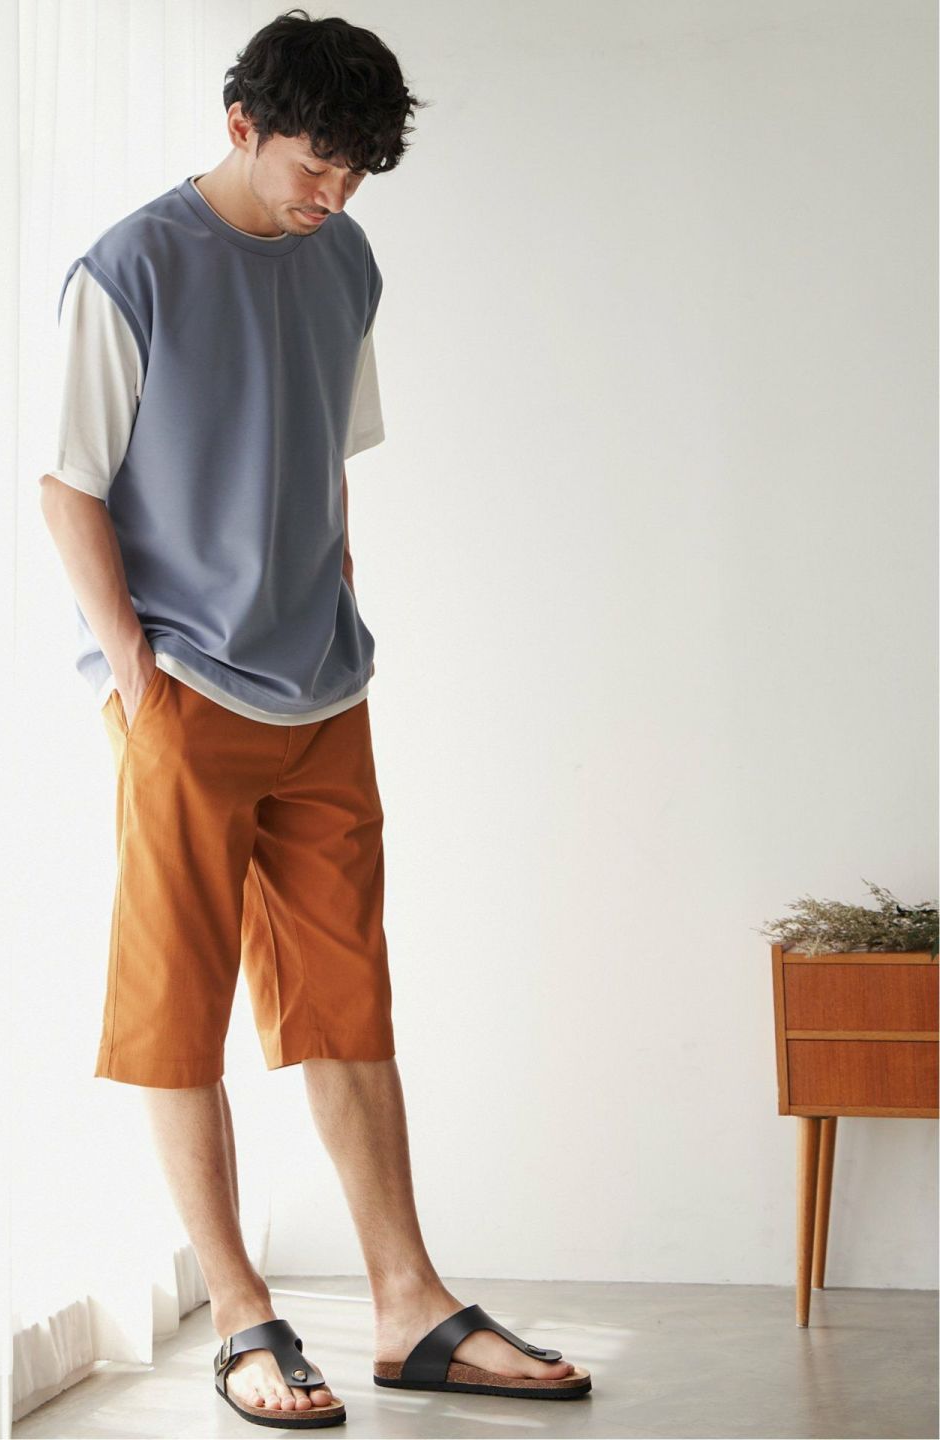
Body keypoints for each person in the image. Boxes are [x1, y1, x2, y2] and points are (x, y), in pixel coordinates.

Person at [39, 8, 590, 1429]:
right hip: (185, 692)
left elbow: (331, 456)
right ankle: (242, 1314)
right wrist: (137, 675)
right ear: (242, 124)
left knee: (350, 1002)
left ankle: (410, 1305)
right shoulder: (130, 267)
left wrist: (336, 599)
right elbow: (67, 483)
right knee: (178, 1012)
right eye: (314, 165)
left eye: (354, 174)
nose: (332, 196)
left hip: (324, 687)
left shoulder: (346, 260)